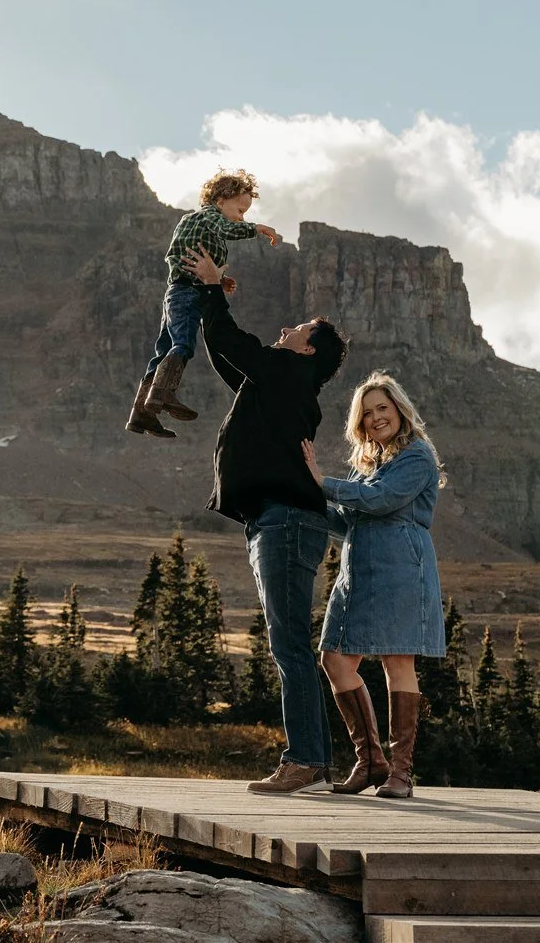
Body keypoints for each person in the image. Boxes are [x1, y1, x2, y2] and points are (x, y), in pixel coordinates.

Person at [179, 245, 348, 794]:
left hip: (285, 522)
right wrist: (212, 297)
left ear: (307, 351)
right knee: (290, 642)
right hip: (279, 522)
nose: (284, 329)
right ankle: (312, 763)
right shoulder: (282, 382)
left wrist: (210, 284)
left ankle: (306, 763)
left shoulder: (287, 375)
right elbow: (227, 355)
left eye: (296, 329)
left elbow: (235, 346)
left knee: (289, 644)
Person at [303, 372, 446, 798]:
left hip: (402, 569)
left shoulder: (417, 456)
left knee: (397, 664)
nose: (376, 417)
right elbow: (348, 520)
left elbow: (382, 500)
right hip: (358, 572)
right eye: (367, 413)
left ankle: (400, 774)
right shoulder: (370, 464)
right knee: (335, 661)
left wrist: (323, 484)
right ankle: (370, 762)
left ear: (399, 408)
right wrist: (308, 497)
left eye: (382, 407)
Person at [126, 169, 279, 439]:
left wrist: (220, 281)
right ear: (221, 200)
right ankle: (163, 393)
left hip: (178, 292)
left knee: (163, 351)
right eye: (241, 210)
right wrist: (255, 228)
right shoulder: (209, 217)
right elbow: (226, 228)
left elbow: (196, 258)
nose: (242, 216)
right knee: (183, 344)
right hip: (185, 293)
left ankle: (141, 414)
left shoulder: (201, 224)